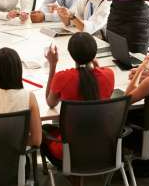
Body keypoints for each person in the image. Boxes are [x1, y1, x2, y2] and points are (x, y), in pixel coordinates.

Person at [42, 32, 114, 167]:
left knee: (44, 130)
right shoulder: (109, 75)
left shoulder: (62, 78)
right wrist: (96, 67)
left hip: (70, 150)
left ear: (71, 54)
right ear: (94, 53)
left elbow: (50, 102)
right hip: (102, 146)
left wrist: (53, 65)